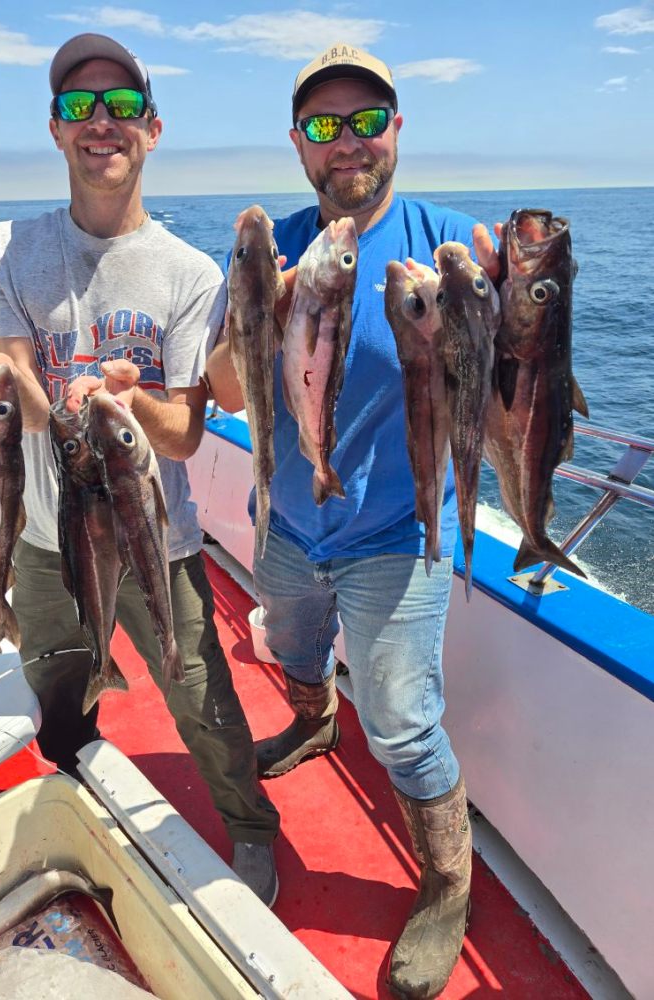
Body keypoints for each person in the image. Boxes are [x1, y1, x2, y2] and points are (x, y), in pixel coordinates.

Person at [207, 41, 499, 999]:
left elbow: (504, 397)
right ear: (298, 144)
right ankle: (313, 720)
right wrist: (262, 310)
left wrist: (510, 316)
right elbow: (215, 385)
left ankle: (447, 883)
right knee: (289, 655)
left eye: (365, 121)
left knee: (406, 725)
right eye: (325, 127)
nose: (347, 143)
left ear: (395, 131)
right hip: (289, 521)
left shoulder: (450, 240)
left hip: (399, 535)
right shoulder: (273, 245)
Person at [0, 32, 280, 906]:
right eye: (78, 107)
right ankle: (72, 796)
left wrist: (127, 402)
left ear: (151, 128)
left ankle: (252, 829)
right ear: (56, 130)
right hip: (44, 530)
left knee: (200, 693)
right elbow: (19, 405)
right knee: (58, 681)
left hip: (157, 532)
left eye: (118, 107)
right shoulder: (3, 249)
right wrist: (20, 383)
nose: (99, 123)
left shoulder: (188, 275)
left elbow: (182, 435)